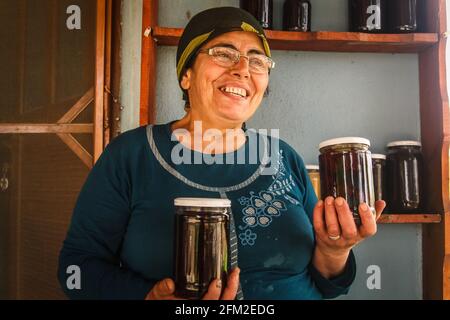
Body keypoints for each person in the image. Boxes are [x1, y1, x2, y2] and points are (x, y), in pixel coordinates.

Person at [58, 6, 385, 300]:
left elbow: (329, 285)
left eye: (258, 61)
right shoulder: (130, 156)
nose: (243, 69)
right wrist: (146, 297)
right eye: (224, 54)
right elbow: (77, 270)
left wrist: (334, 250)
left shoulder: (283, 158)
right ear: (186, 75)